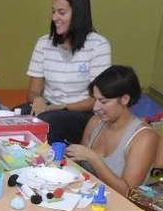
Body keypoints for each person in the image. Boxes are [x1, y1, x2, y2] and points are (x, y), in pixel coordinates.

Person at [38, 65, 158, 211]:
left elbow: (128, 194)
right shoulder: (95, 122)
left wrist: (93, 158)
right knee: (38, 188)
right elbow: (80, 170)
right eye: (95, 100)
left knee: (44, 210)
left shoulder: (144, 137)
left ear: (125, 99)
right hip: (88, 199)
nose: (95, 107)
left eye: (103, 101)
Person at [24, 0, 111, 144]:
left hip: (80, 112)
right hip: (49, 107)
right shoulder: (43, 43)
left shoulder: (98, 45)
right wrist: (37, 100)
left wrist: (60, 107)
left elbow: (97, 99)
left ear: (78, 14)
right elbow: (33, 91)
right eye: (53, 12)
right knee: (13, 115)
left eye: (61, 12)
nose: (54, 18)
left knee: (46, 123)